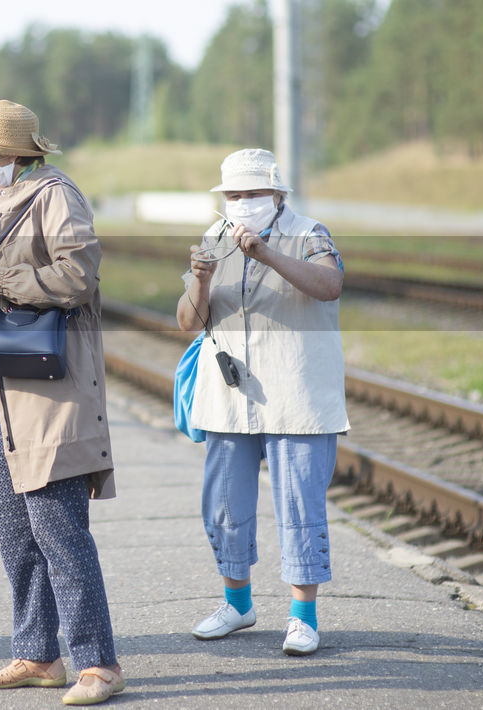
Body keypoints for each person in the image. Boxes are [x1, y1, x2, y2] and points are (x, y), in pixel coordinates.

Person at [0, 99, 124, 706]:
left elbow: (79, 275)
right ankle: (38, 654)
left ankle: (98, 664)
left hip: (47, 395)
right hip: (1, 388)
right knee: (17, 534)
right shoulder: (8, 199)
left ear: (9, 155)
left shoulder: (54, 195)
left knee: (60, 530)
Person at [176, 147, 347, 657]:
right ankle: (237, 604)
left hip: (296, 394)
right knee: (224, 505)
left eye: (252, 194)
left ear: (277, 194)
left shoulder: (310, 233)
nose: (242, 202)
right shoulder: (214, 238)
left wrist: (266, 254)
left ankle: (302, 617)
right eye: (233, 194)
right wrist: (202, 280)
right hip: (230, 397)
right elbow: (187, 321)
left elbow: (330, 285)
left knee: (299, 506)